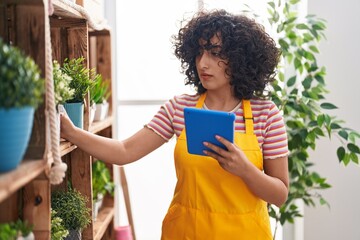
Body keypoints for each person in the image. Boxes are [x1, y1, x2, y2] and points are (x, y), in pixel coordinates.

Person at [60, 9, 289, 240]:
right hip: (186, 233)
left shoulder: (266, 115)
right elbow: (124, 151)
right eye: (199, 52)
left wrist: (245, 169)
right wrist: (70, 131)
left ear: (240, 58)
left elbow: (279, 195)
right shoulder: (179, 109)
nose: (203, 63)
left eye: (214, 53)